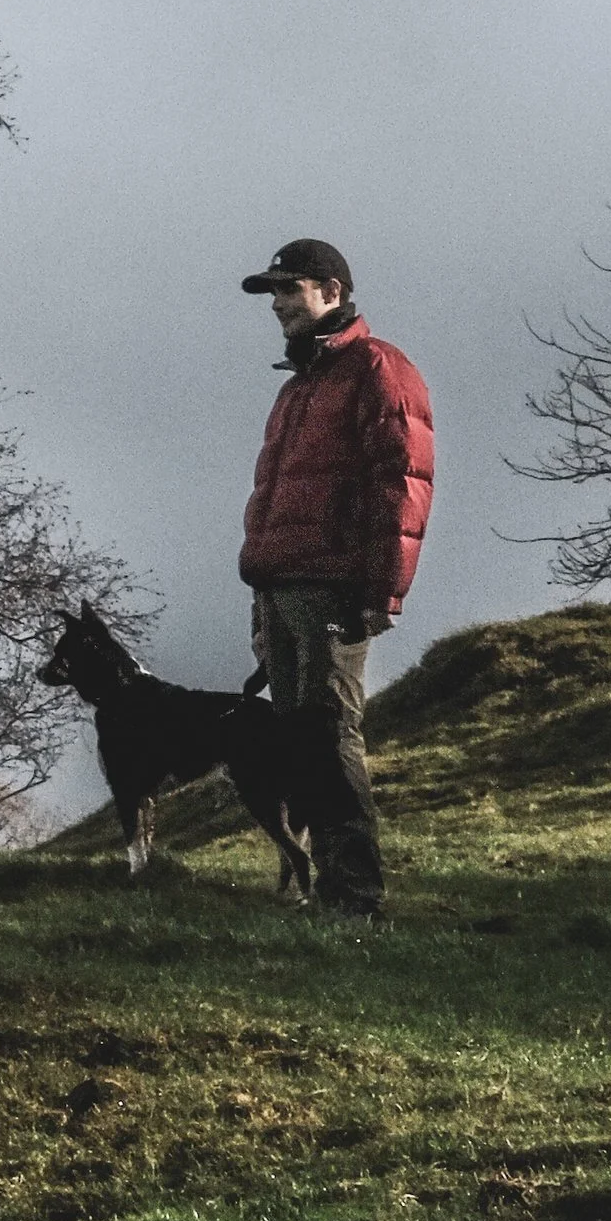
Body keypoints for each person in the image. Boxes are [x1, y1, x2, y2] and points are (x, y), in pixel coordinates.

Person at [236, 235, 435, 921]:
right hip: (281, 588)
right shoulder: (296, 389)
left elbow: (403, 483)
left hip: (333, 588)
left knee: (329, 733)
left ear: (334, 292)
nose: (279, 305)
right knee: (297, 739)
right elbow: (271, 499)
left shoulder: (380, 369)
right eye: (274, 294)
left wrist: (384, 590)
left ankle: (356, 897)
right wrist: (260, 589)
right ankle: (331, 891)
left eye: (289, 290)